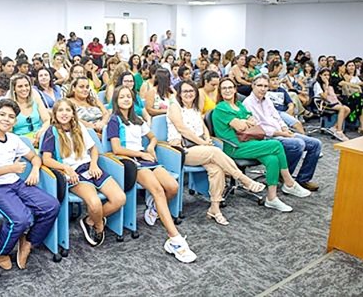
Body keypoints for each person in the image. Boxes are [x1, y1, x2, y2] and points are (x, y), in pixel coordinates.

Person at [108, 85, 196, 263]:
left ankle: (154, 207)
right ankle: (175, 240)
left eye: (128, 96)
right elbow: (117, 149)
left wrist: (150, 146)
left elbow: (153, 137)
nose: (126, 99)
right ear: (116, 101)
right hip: (131, 161)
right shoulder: (114, 121)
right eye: (122, 97)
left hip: (146, 156)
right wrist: (141, 154)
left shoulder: (138, 119)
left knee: (173, 186)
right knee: (157, 190)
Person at [0, 99, 60, 270]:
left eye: (11, 117)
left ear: (15, 121)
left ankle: (28, 242)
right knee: (20, 219)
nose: (6, 119)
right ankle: (1, 251)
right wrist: (11, 167)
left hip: (17, 183)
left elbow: (35, 157)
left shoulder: (14, 139)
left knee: (51, 206)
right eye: (3, 115)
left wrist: (35, 169)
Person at [167, 81, 265, 225]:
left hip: (201, 148)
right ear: (179, 94)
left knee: (217, 169)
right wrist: (203, 143)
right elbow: (182, 129)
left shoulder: (194, 108)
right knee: (214, 151)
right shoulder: (175, 107)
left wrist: (206, 138)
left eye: (191, 91)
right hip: (182, 149)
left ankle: (214, 208)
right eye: (185, 91)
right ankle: (244, 179)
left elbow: (203, 127)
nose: (189, 94)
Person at [212, 78, 309, 212]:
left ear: (235, 89)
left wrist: (244, 121)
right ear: (220, 92)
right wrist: (244, 121)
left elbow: (253, 121)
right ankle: (289, 182)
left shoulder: (239, 105)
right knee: (275, 145)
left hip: (249, 142)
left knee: (272, 159)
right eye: (224, 88)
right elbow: (240, 127)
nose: (227, 90)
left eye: (230, 87)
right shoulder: (221, 108)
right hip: (234, 147)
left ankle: (271, 198)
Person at [41, 99, 126, 246]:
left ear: (73, 113)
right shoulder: (52, 131)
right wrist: (66, 168)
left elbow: (93, 149)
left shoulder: (78, 127)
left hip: (89, 167)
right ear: (55, 113)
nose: (64, 113)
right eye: (60, 110)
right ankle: (99, 226)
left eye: (68, 110)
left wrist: (94, 164)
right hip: (73, 172)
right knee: (95, 203)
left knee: (119, 199)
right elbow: (46, 159)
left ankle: (91, 220)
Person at [243, 75, 321, 192]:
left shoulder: (267, 99)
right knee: (298, 144)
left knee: (316, 144)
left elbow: (277, 117)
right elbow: (260, 130)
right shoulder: (248, 103)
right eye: (259, 85)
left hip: (281, 133)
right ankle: (285, 177)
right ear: (253, 86)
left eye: (265, 86)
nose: (263, 89)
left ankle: (303, 179)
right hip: (267, 138)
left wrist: (284, 128)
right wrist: (282, 133)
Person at [10, 73, 50, 147]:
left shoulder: (36, 99)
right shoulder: (9, 106)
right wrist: (26, 140)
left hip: (40, 137)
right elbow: (8, 133)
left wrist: (42, 130)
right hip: (19, 142)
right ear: (14, 89)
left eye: (26, 85)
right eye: (20, 86)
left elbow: (47, 120)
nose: (24, 89)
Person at [313, 68, 350, 141]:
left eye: (328, 75)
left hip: (331, 102)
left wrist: (339, 103)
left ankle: (334, 127)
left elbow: (333, 96)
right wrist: (326, 85)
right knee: (342, 109)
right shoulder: (317, 84)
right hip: (323, 103)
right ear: (320, 75)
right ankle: (339, 131)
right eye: (325, 75)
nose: (327, 77)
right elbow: (325, 97)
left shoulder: (329, 85)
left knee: (347, 109)